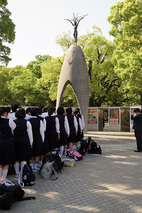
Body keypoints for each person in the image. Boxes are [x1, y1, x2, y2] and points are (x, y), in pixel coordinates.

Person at [13, 108, 33, 186]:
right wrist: (31, 143)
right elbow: (30, 134)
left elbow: (11, 132)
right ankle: (23, 173)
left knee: (16, 158)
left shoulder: (13, 122)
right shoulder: (27, 122)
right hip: (25, 140)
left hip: (15, 140)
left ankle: (17, 173)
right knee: (24, 157)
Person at [0, 107, 16, 186]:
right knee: (6, 162)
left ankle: (0, 179)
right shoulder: (9, 121)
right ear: (5, 113)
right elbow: (13, 128)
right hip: (7, 142)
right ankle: (3, 179)